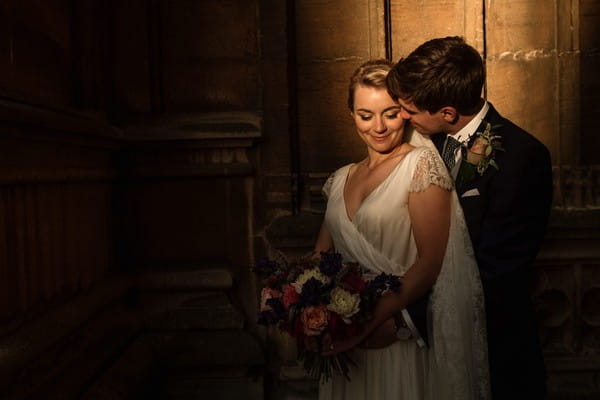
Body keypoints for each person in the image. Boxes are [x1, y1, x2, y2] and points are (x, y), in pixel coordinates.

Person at [386, 36, 553, 399]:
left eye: (410, 110)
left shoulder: (522, 158)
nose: (402, 117)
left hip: (492, 347)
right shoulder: (423, 143)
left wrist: (404, 318)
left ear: (447, 113)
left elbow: (496, 268)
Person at [313, 59, 490, 399]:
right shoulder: (339, 178)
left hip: (393, 336)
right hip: (346, 342)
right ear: (351, 114)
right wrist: (310, 312)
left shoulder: (420, 165)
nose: (378, 127)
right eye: (366, 115)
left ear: (406, 113)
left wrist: (367, 325)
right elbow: (320, 258)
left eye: (390, 114)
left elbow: (430, 263)